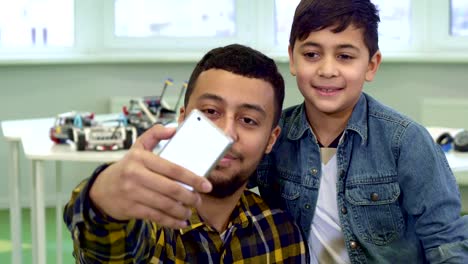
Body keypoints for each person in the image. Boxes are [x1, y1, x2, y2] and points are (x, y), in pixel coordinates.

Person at [253, 0, 468, 263]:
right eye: (311, 54)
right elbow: (218, 183)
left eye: (345, 56)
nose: (327, 70)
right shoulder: (274, 136)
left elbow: (446, 242)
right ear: (292, 59)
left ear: (371, 65)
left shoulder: (406, 141)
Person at [63, 44, 309, 263]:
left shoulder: (283, 235)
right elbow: (105, 248)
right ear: (183, 118)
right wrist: (103, 198)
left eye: (248, 120)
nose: (227, 133)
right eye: (211, 112)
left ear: (271, 139)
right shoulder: (148, 223)